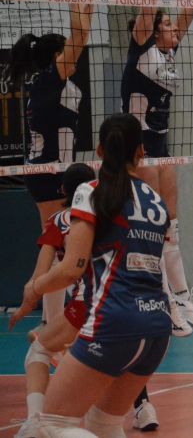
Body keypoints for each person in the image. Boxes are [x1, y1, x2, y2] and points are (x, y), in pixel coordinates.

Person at [11, 113, 173, 437]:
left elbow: (73, 267)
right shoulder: (156, 201)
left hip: (114, 320)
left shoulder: (91, 191)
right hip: (157, 326)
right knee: (104, 423)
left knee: (50, 424)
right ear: (141, 152)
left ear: (99, 151)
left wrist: (34, 289)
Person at [120, 0, 193, 336]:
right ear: (153, 30)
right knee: (152, 224)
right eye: (168, 25)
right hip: (135, 148)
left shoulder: (170, 52)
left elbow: (190, 3)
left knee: (171, 222)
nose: (175, 28)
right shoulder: (142, 48)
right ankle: (165, 303)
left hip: (160, 143)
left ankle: (183, 298)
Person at [11, 0, 98, 326]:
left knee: (59, 245)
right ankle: (50, 322)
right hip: (48, 171)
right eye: (67, 54)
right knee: (56, 245)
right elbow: (79, 35)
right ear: (56, 57)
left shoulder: (52, 81)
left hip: (51, 169)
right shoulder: (50, 78)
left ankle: (53, 320)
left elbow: (81, 34)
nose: (73, 58)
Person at [10, 163, 97, 437]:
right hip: (122, 300)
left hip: (86, 302)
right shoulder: (109, 215)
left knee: (38, 350)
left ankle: (35, 423)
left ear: (62, 189)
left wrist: (24, 307)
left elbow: (39, 277)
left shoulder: (58, 221)